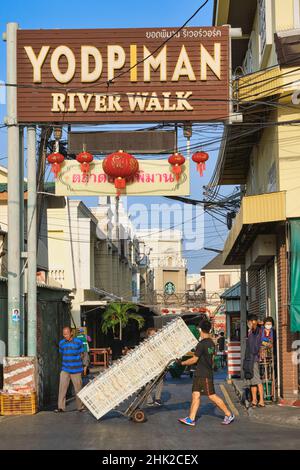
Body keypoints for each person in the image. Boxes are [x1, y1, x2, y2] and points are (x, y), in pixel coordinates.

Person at [178, 319, 235, 426]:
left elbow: (194, 359)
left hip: (204, 374)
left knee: (212, 396)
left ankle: (229, 414)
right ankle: (191, 419)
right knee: (195, 395)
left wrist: (182, 363)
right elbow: (212, 359)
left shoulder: (202, 344)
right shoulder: (212, 343)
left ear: (200, 329)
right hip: (201, 373)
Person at [54, 326, 85, 413]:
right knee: (62, 389)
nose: (65, 335)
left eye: (66, 333)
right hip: (65, 369)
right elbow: (62, 353)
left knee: (78, 389)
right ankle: (61, 407)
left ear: (71, 333)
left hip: (76, 369)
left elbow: (82, 354)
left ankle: (80, 407)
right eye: (64, 334)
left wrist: (83, 364)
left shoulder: (78, 342)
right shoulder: (61, 343)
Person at [243, 314, 265, 408]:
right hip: (249, 359)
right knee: (252, 381)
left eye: (249, 322)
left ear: (253, 322)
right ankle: (254, 400)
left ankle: (261, 401)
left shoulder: (257, 331)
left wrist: (256, 323)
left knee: (257, 380)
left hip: (254, 359)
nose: (248, 323)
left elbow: (256, 328)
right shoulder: (250, 332)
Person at [145, 327, 164, 406]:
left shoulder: (159, 343)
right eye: (152, 334)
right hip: (148, 365)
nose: (154, 335)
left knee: (160, 381)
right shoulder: (146, 344)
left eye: (155, 334)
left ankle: (157, 398)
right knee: (148, 383)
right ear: (148, 335)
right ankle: (149, 399)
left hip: (158, 365)